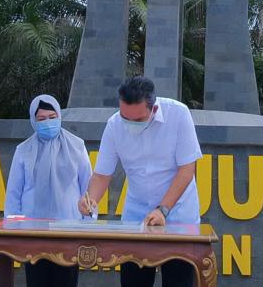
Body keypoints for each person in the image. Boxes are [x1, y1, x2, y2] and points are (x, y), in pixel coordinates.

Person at [78, 76, 202, 287]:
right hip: (136, 218)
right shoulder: (114, 124)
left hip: (179, 214)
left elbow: (186, 170)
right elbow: (101, 175)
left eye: (136, 120)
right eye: (125, 117)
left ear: (153, 110)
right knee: (134, 281)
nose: (129, 124)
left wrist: (162, 210)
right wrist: (90, 200)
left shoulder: (179, 114)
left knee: (178, 281)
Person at [4, 94, 92, 287]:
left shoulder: (77, 146)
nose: (48, 123)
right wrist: (13, 230)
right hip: (33, 232)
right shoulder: (23, 150)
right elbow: (13, 194)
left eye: (52, 117)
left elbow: (89, 188)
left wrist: (88, 225)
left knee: (66, 281)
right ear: (33, 121)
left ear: (60, 116)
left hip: (69, 230)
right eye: (41, 119)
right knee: (37, 280)